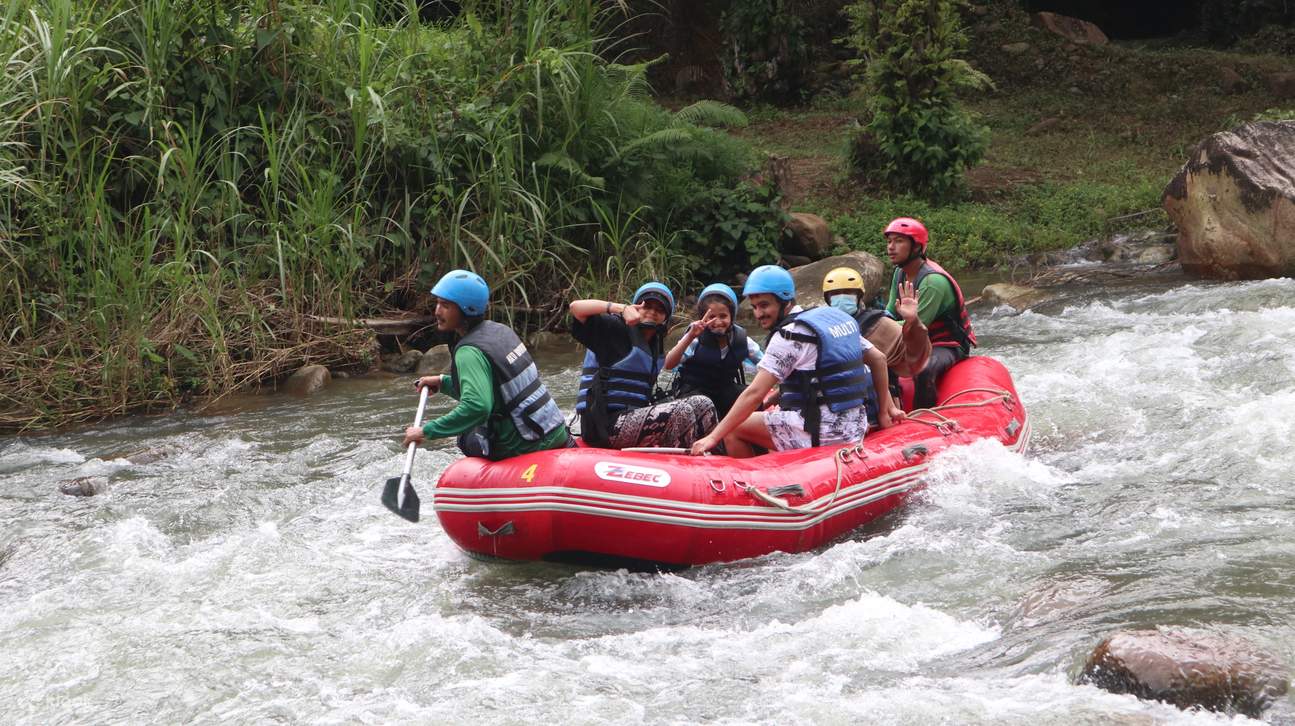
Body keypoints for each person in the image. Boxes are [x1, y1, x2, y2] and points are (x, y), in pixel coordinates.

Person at [690, 265, 901, 458]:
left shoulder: (788, 336)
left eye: (764, 305)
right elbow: (878, 359)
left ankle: (752, 484)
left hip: (822, 433)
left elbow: (754, 393)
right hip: (854, 427)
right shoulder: (832, 319)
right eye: (754, 307)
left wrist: (713, 437)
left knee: (734, 428)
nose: (758, 314)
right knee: (769, 413)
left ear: (785, 301)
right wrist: (885, 411)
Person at [402, 270, 571, 460]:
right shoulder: (500, 331)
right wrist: (443, 382)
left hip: (524, 444)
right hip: (554, 431)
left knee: (466, 437)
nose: (437, 311)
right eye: (438, 303)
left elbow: (478, 407)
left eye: (446, 305)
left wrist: (426, 431)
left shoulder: (469, 352)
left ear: (465, 309)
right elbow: (501, 390)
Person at [569, 282, 717, 449]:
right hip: (603, 425)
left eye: (660, 310)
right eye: (647, 306)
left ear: (665, 318)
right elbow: (576, 308)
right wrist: (621, 308)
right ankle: (682, 462)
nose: (653, 312)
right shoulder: (616, 329)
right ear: (637, 307)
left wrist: (691, 335)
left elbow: (670, 363)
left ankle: (709, 456)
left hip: (632, 417)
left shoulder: (655, 345)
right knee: (682, 411)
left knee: (703, 404)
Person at [881, 217, 977, 410]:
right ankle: (892, 409)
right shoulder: (900, 273)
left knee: (924, 370)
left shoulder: (933, 282)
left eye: (899, 241)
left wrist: (877, 330)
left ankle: (924, 418)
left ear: (916, 247)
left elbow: (917, 326)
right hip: (915, 341)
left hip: (945, 344)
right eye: (890, 241)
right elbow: (890, 314)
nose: (891, 247)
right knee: (878, 358)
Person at [822, 266, 930, 395]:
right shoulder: (822, 327)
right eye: (835, 294)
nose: (842, 298)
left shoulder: (879, 323)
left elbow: (916, 355)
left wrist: (913, 322)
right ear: (827, 299)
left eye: (848, 292)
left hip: (879, 397)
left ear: (859, 296)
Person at [664, 283, 763, 418]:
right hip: (694, 394)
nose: (717, 322)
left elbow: (767, 365)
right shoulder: (695, 338)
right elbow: (669, 364)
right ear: (703, 317)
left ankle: (743, 434)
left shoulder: (743, 340)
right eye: (711, 317)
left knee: (752, 398)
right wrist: (690, 336)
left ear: (732, 317)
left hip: (724, 392)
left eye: (723, 316)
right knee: (702, 403)